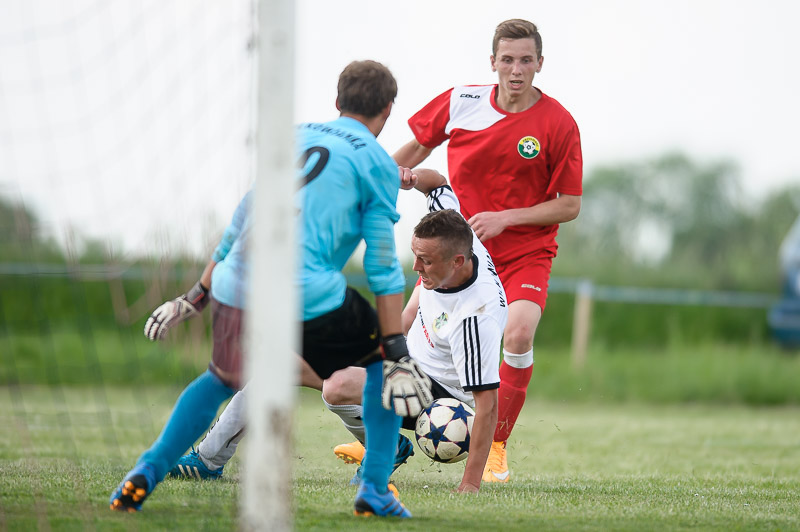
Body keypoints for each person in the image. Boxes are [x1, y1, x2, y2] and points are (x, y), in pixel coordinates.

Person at [109, 60, 433, 519]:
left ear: (337, 102)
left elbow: (243, 217)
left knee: (221, 377)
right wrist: (396, 346)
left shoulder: (295, 135)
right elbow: (381, 266)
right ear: (388, 109)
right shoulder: (378, 163)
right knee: (383, 368)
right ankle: (375, 488)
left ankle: (149, 467)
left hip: (236, 280)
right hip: (304, 287)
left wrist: (196, 294)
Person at [169, 168, 508, 493]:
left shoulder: (475, 318)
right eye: (415, 256)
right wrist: (412, 176)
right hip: (407, 355)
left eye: (426, 261)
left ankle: (384, 448)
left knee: (337, 386)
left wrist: (470, 484)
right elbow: (438, 185)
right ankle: (208, 460)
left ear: (457, 262)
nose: (416, 266)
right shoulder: (453, 233)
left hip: (437, 397)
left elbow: (487, 405)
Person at [393, 18, 583, 483]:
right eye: (507, 59)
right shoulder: (462, 102)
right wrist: (374, 176)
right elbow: (415, 148)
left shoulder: (558, 123)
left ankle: (497, 445)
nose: (516, 70)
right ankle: (381, 437)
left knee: (517, 336)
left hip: (525, 255)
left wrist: (506, 218)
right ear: (492, 62)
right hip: (461, 252)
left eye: (526, 60)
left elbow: (570, 204)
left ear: (540, 63)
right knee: (405, 324)